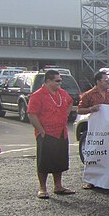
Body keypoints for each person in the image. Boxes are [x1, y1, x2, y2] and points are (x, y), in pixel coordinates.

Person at [27, 69, 75, 199]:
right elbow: (32, 114)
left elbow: (70, 102)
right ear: (48, 81)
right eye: (57, 80)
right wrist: (41, 130)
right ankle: (42, 188)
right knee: (44, 161)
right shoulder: (38, 95)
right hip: (46, 133)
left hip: (61, 132)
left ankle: (58, 186)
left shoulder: (62, 93)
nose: (60, 83)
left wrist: (66, 114)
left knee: (59, 160)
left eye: (60, 80)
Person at [78, 70, 109, 189]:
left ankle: (108, 178)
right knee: (94, 153)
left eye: (108, 80)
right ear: (98, 82)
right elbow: (79, 110)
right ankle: (91, 180)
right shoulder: (88, 95)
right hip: (96, 130)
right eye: (105, 80)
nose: (108, 82)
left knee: (108, 154)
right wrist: (91, 109)